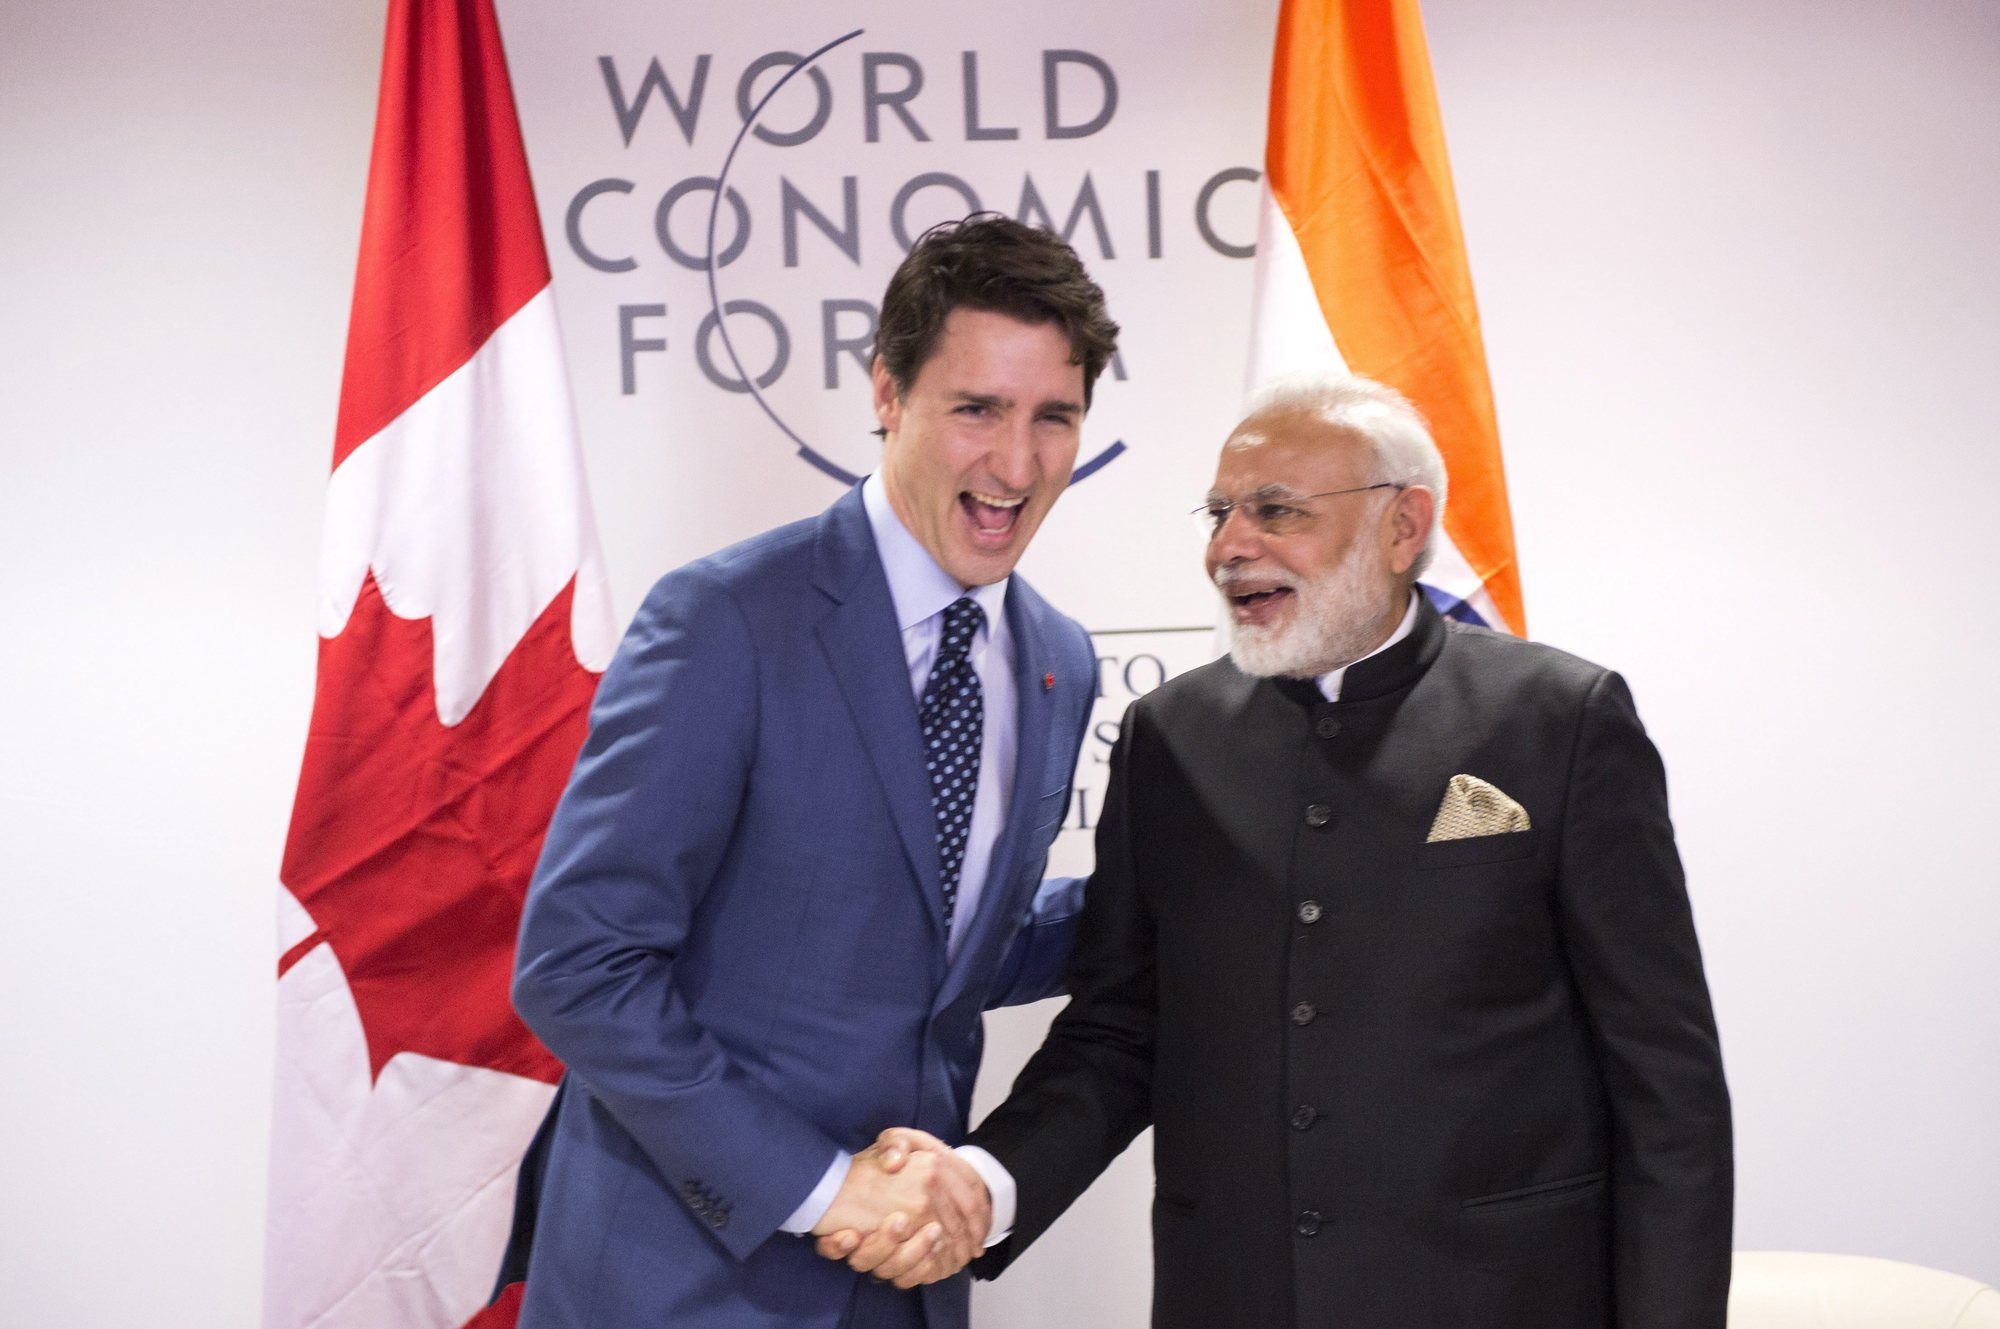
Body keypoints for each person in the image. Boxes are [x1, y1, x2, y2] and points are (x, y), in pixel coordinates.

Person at [834, 372, 1734, 1327]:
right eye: (1220, 512)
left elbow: (1665, 1086)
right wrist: (985, 1183)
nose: (1229, 546)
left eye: (1275, 510)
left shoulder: (1559, 719)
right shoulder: (1171, 737)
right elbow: (1119, 1032)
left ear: (1402, 526)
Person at [506, 214, 1118, 1329]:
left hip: (902, 1292)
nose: (1017, 464)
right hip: (679, 1285)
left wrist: (1187, 901)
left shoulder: (1058, 659)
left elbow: (941, 946)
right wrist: (824, 1188)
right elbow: (579, 965)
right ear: (887, 390)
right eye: (976, 409)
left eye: (1054, 417)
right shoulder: (726, 620)